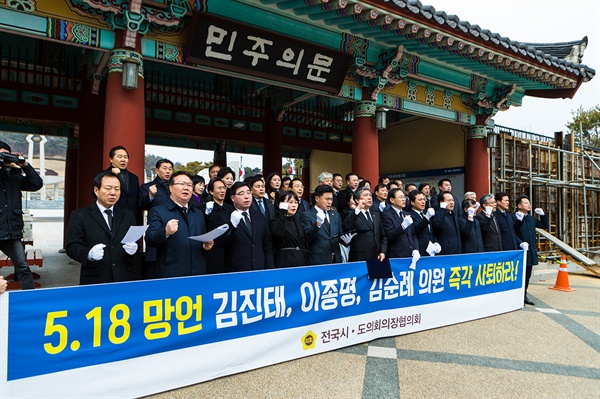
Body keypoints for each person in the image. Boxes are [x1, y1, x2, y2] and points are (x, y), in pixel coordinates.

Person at [66, 172, 138, 285]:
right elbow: (72, 246)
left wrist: (134, 248)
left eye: (117, 189)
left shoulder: (128, 215)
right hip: (95, 279)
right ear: (96, 190)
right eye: (108, 188)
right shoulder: (80, 215)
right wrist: (89, 253)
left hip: (124, 278)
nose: (113, 193)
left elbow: (133, 240)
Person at [146, 171, 214, 278]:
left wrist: (206, 247)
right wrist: (165, 232)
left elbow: (200, 240)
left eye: (189, 185)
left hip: (197, 274)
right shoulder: (158, 211)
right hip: (172, 275)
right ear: (171, 188)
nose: (186, 188)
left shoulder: (198, 213)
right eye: (181, 184)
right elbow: (150, 239)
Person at [0, 141, 43, 290]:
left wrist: (24, 165)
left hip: (12, 231)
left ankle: (29, 300)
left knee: (23, 267)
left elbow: (36, 184)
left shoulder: (14, 177)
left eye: (6, 155)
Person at [214, 182, 274, 272]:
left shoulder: (259, 216)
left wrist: (269, 269)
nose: (246, 196)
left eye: (248, 193)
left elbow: (267, 245)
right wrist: (232, 226)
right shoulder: (224, 217)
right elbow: (220, 243)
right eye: (241, 194)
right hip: (236, 271)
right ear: (233, 198)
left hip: (259, 269)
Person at [138, 158, 173, 278]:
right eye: (164, 168)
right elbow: (141, 205)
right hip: (156, 230)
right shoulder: (147, 187)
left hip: (174, 231)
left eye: (170, 169)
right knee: (154, 270)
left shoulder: (175, 188)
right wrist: (150, 196)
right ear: (157, 170)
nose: (168, 171)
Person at [514, 196, 549, 305]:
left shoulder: (530, 218)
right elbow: (513, 233)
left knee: (528, 275)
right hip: (519, 251)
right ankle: (517, 296)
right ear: (519, 206)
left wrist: (543, 215)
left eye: (529, 203)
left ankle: (524, 296)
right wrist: (520, 243)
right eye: (526, 203)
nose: (529, 205)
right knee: (520, 275)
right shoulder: (514, 217)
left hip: (530, 250)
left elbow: (544, 225)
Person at [301, 184, 346, 265]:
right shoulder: (307, 215)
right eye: (327, 199)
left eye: (331, 199)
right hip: (318, 259)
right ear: (317, 198)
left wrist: (346, 240)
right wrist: (317, 224)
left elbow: (339, 234)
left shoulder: (335, 214)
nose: (329, 202)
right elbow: (307, 237)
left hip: (336, 258)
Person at [94, 146, 141, 222]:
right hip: (113, 217)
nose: (123, 159)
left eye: (125, 157)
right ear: (111, 159)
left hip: (132, 218)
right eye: (120, 157)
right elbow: (93, 194)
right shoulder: (101, 175)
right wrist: (111, 174)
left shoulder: (134, 178)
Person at [342, 187, 387, 262]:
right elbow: (346, 226)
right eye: (365, 195)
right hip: (359, 257)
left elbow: (383, 236)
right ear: (357, 200)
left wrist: (383, 251)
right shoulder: (351, 214)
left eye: (370, 195)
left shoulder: (376, 215)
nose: (369, 197)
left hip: (377, 256)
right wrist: (358, 209)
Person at [201, 178, 233, 274]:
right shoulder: (203, 209)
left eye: (224, 188)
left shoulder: (230, 208)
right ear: (211, 191)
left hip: (230, 250)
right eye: (219, 188)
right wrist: (207, 214)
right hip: (212, 251)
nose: (222, 191)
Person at [269, 191, 308, 268]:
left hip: (299, 261)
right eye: (290, 202)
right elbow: (278, 233)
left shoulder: (297, 220)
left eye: (296, 202)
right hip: (285, 261)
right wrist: (282, 212)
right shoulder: (275, 221)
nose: (294, 205)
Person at [381, 188, 420, 259]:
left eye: (404, 197)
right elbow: (390, 235)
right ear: (392, 200)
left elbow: (413, 234)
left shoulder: (406, 214)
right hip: (397, 255)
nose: (403, 199)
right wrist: (403, 226)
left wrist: (416, 249)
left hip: (411, 254)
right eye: (400, 197)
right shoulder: (386, 215)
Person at [407, 190, 437, 256]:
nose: (423, 202)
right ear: (412, 202)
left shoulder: (425, 214)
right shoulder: (409, 215)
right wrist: (426, 218)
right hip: (419, 251)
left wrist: (435, 242)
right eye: (420, 200)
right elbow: (416, 230)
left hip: (431, 251)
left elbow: (431, 231)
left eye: (424, 199)